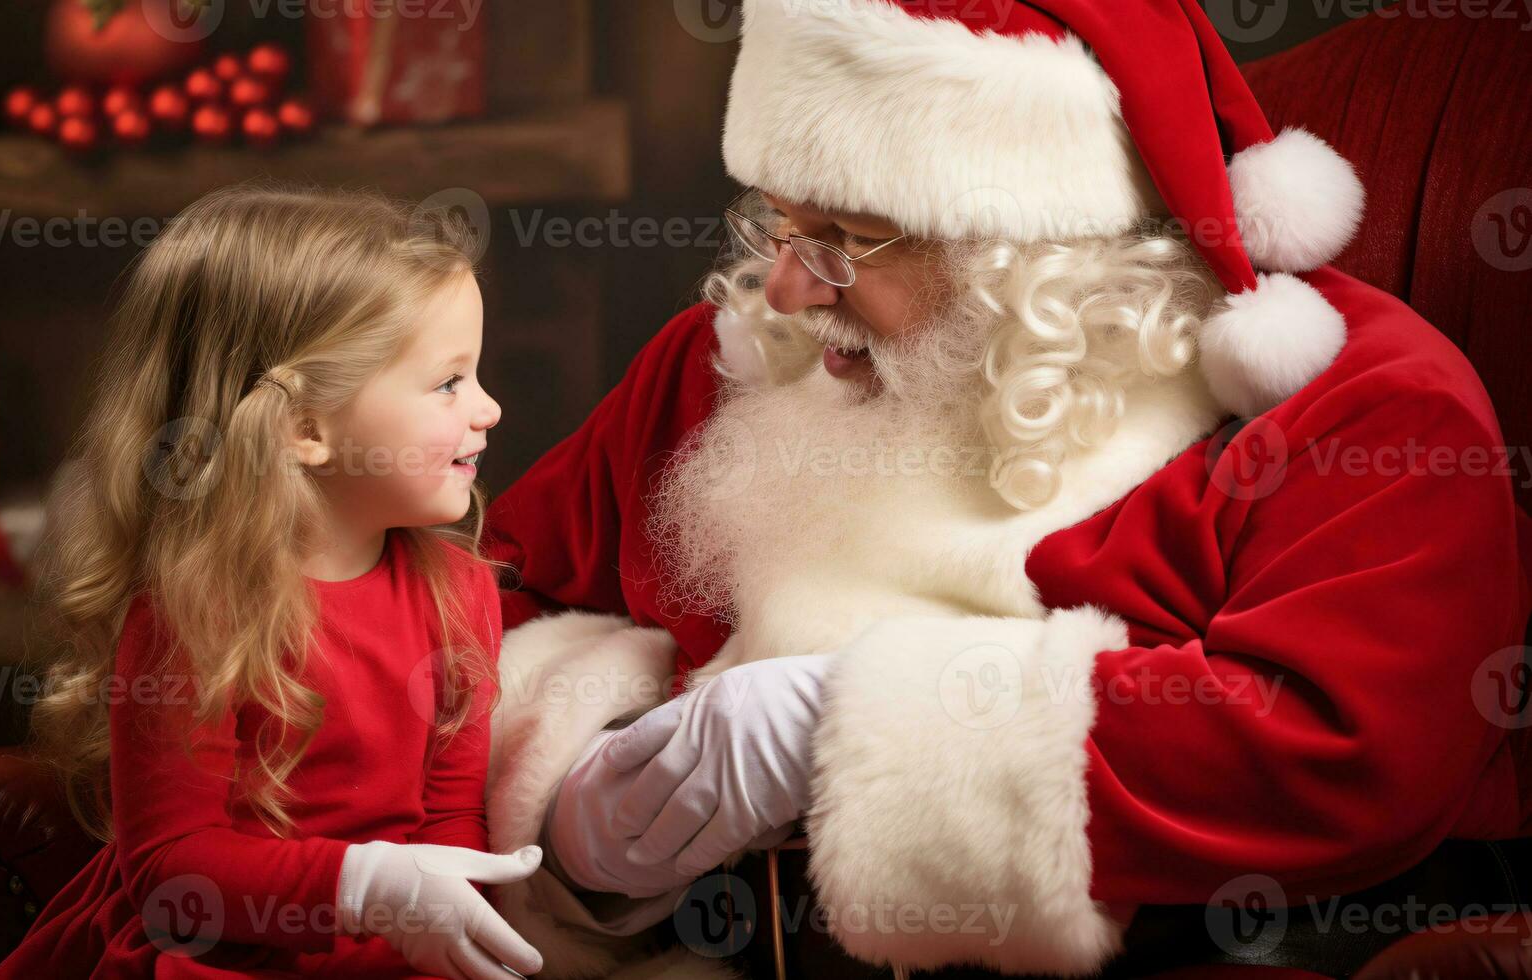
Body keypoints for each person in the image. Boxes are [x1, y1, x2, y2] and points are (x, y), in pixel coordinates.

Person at [478, 1, 1532, 977]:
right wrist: (564, 783)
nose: (790, 288)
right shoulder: (728, 364)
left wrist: (831, 723)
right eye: (778, 222)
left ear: (1031, 247)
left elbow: (1337, 750)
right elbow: (458, 599)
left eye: (846, 240)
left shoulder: (1357, 406)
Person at [0, 185, 545, 980]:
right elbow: (171, 872)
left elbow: (452, 817)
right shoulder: (197, 610)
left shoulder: (459, 593)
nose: (487, 408)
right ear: (305, 429)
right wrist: (369, 888)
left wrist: (444, 927)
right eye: (446, 383)